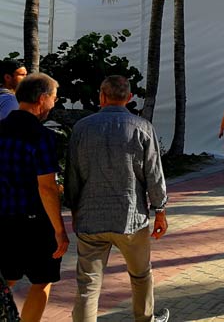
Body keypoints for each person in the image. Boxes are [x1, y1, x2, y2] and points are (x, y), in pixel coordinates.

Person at [65, 75, 169, 322]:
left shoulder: (82, 128)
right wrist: (160, 210)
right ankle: (145, 319)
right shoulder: (142, 127)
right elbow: (154, 174)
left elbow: (72, 174)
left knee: (88, 284)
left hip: (91, 218)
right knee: (141, 275)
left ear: (101, 96)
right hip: (131, 218)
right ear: (129, 97)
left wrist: (74, 210)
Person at [0, 73, 69, 322]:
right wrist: (59, 230)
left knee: (6, 279)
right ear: (42, 99)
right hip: (34, 220)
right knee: (42, 280)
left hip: (3, 218)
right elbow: (47, 188)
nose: (54, 103)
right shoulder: (41, 136)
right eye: (54, 98)